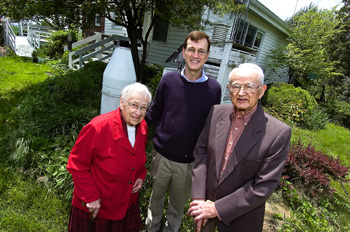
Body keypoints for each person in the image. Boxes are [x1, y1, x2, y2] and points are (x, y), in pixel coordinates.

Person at [188, 63, 291, 232]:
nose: (241, 93)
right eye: (236, 86)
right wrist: (198, 198)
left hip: (241, 219)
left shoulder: (278, 133)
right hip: (203, 210)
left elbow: (264, 185)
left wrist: (217, 209)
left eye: (249, 87)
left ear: (262, 91)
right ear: (229, 89)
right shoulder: (215, 113)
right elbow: (202, 153)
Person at [145, 31, 222, 232]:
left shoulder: (214, 89)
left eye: (201, 51)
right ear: (184, 52)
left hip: (189, 163)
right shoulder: (168, 80)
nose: (195, 55)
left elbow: (211, 127)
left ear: (206, 56)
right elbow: (154, 112)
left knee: (177, 207)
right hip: (161, 156)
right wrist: (130, 124)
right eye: (191, 50)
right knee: (155, 199)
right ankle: (151, 228)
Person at [66, 82, 152, 232]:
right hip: (98, 207)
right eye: (134, 105)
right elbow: (76, 164)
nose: (138, 112)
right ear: (121, 102)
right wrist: (90, 196)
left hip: (126, 203)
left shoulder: (142, 126)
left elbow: (136, 158)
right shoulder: (98, 128)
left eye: (143, 107)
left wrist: (140, 175)